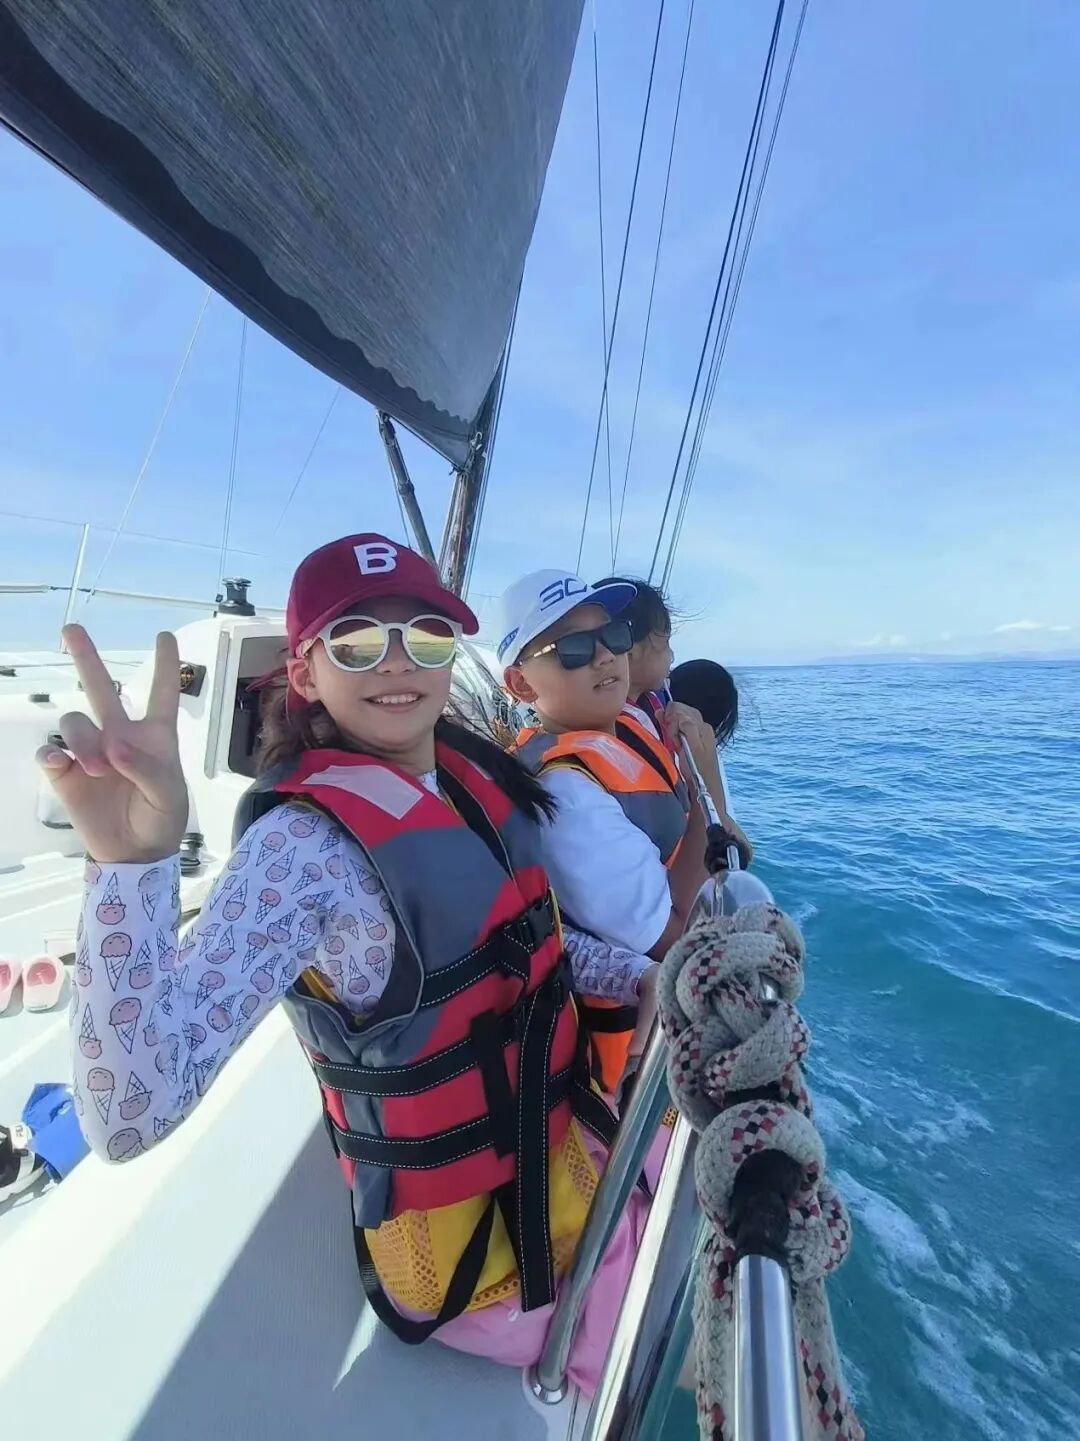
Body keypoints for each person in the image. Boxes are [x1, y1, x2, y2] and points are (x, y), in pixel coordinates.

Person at [38, 534, 656, 1394]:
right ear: (305, 671)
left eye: (427, 636)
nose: (397, 661)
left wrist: (639, 977)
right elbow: (127, 1114)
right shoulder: (305, 849)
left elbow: (526, 945)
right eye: (358, 640)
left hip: (569, 1148)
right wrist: (130, 865)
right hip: (487, 1257)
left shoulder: (465, 775)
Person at [499, 569, 717, 1091]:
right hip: (644, 1063)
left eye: (613, 636)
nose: (604, 657)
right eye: (572, 649)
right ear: (522, 684)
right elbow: (673, 939)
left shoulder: (626, 720)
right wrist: (709, 790)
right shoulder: (565, 797)